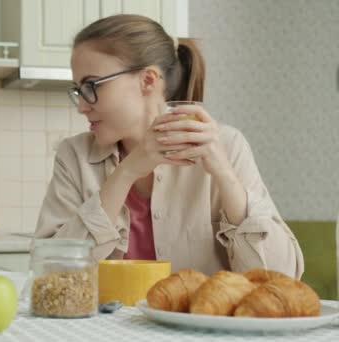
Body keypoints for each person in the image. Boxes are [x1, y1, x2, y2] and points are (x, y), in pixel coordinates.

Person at [35, 14, 303, 278]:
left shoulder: (227, 146)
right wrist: (126, 172)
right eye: (78, 90)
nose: (81, 106)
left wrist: (224, 175)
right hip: (99, 324)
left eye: (91, 86)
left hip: (199, 322)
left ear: (148, 80)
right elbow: (49, 274)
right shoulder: (74, 156)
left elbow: (282, 278)